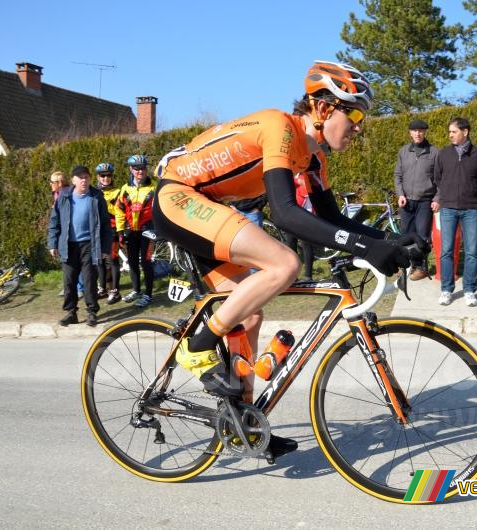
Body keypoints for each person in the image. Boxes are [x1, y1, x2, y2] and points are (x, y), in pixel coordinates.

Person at [152, 60, 421, 459]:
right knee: (283, 264)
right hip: (178, 198)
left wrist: (393, 240)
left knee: (249, 314)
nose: (360, 126)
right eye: (357, 113)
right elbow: (286, 214)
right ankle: (199, 344)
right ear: (325, 108)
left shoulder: (314, 159)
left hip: (204, 205)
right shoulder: (280, 128)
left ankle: (242, 424)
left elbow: (331, 218)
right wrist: (365, 248)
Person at [432, 117, 477, 307]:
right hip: (447, 208)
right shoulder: (444, 154)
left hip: (470, 208)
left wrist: (471, 194)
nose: (450, 135)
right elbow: (438, 178)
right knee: (446, 251)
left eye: (453, 131)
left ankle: (470, 290)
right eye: (449, 132)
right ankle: (447, 290)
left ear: (465, 132)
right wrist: (447, 194)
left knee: (471, 252)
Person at [47, 166, 112, 326]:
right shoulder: (64, 196)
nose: (84, 180)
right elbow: (54, 221)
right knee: (69, 281)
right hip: (68, 245)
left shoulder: (96, 197)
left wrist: (105, 248)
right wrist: (52, 243)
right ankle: (71, 313)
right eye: (80, 177)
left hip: (90, 245)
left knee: (90, 280)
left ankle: (91, 312)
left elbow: (105, 224)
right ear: (73, 180)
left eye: (86, 177)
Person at [394, 119, 438, 281]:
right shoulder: (404, 151)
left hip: (425, 201)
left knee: (422, 236)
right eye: (415, 131)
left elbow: (440, 179)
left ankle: (421, 267)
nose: (418, 133)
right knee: (405, 235)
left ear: (425, 132)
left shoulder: (434, 152)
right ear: (410, 133)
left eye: (421, 130)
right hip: (406, 202)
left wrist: (437, 198)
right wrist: (400, 194)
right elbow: (398, 175)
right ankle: (406, 266)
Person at [115, 155, 156, 308]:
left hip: (148, 231)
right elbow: (119, 211)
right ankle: (137, 290)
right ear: (131, 169)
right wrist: (120, 231)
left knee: (146, 262)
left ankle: (148, 295)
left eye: (143, 168)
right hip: (131, 231)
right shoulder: (124, 189)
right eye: (137, 168)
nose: (140, 171)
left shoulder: (154, 188)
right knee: (132, 262)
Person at [95, 162, 122, 304]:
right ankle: (102, 288)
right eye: (102, 176)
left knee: (113, 260)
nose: (106, 178)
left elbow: (120, 212)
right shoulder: (94, 192)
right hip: (97, 231)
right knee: (99, 260)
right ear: (98, 177)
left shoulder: (118, 192)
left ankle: (115, 291)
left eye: (108, 175)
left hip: (113, 230)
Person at [283, 172, 317, 281]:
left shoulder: (306, 175)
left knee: (306, 245)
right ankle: (294, 276)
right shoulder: (290, 174)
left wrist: (296, 181)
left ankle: (308, 275)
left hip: (304, 214)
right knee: (290, 245)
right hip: (290, 215)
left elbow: (306, 188)